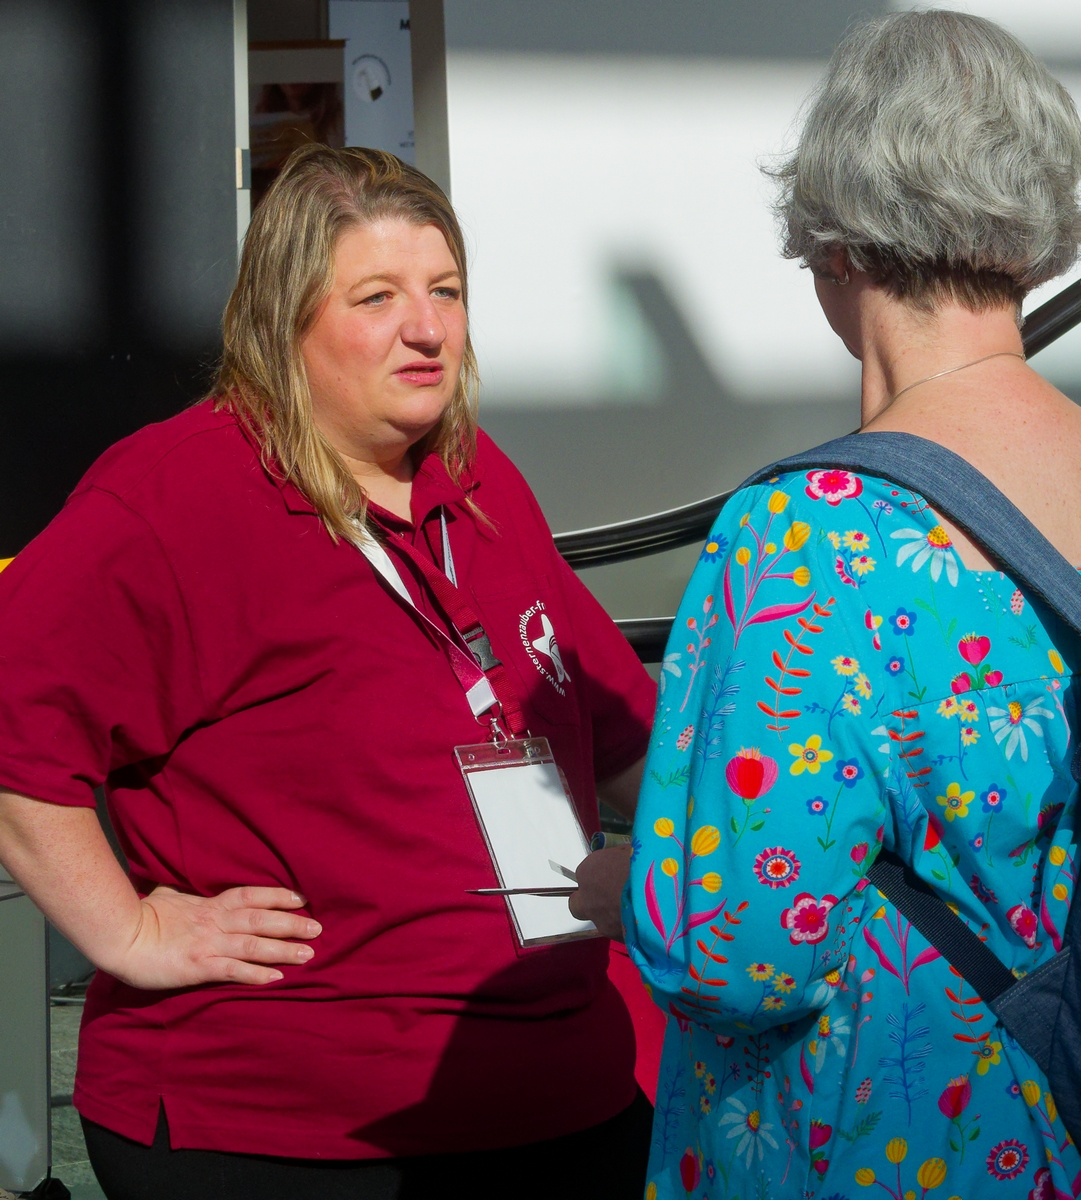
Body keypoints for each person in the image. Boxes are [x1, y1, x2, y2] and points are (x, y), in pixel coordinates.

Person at [597, 12, 1081, 1198]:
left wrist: (626, 895)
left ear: (834, 239)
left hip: (886, 1137)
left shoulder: (804, 533)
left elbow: (742, 958)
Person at [0, 146, 655, 1199]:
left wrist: (702, 858)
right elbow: (16, 722)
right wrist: (128, 930)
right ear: (284, 319)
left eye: (446, 291)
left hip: (558, 1087)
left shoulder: (477, 478)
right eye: (377, 297)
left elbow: (619, 728)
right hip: (290, 1130)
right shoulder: (174, 500)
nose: (428, 329)